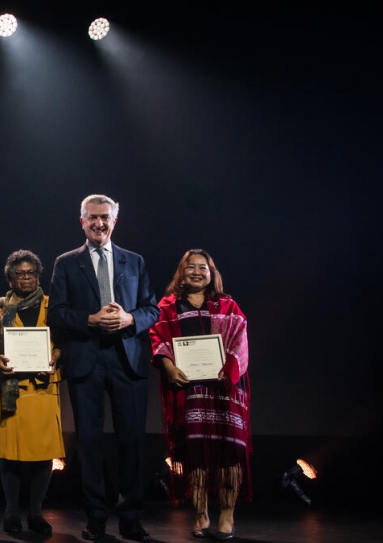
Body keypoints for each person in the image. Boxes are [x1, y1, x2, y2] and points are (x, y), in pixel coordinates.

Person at [47, 194, 159, 542]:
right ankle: (96, 516)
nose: (99, 223)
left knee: (131, 442)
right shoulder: (66, 263)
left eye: (105, 217)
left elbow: (151, 310)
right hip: (86, 361)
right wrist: (90, 319)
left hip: (127, 361)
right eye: (92, 217)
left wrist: (129, 318)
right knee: (90, 443)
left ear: (115, 220)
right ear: (82, 221)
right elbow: (57, 314)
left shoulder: (134, 261)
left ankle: (131, 517)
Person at [148, 249, 251, 541]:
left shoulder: (228, 305)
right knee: (195, 456)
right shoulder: (167, 306)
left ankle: (227, 514)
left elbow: (239, 339)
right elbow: (157, 337)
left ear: (211, 273)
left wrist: (230, 369)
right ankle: (201, 514)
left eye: (202, 267)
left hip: (224, 390)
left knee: (229, 453)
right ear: (181, 272)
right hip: (188, 391)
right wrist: (168, 367)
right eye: (190, 267)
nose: (196, 272)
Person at [0, 249, 64, 536]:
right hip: (9, 388)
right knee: (10, 455)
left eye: (31, 272)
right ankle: (12, 512)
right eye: (20, 273)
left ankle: (36, 513)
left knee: (43, 455)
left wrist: (54, 356)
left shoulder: (52, 306)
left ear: (38, 276)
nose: (26, 277)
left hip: (42, 387)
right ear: (10, 278)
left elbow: (60, 341)